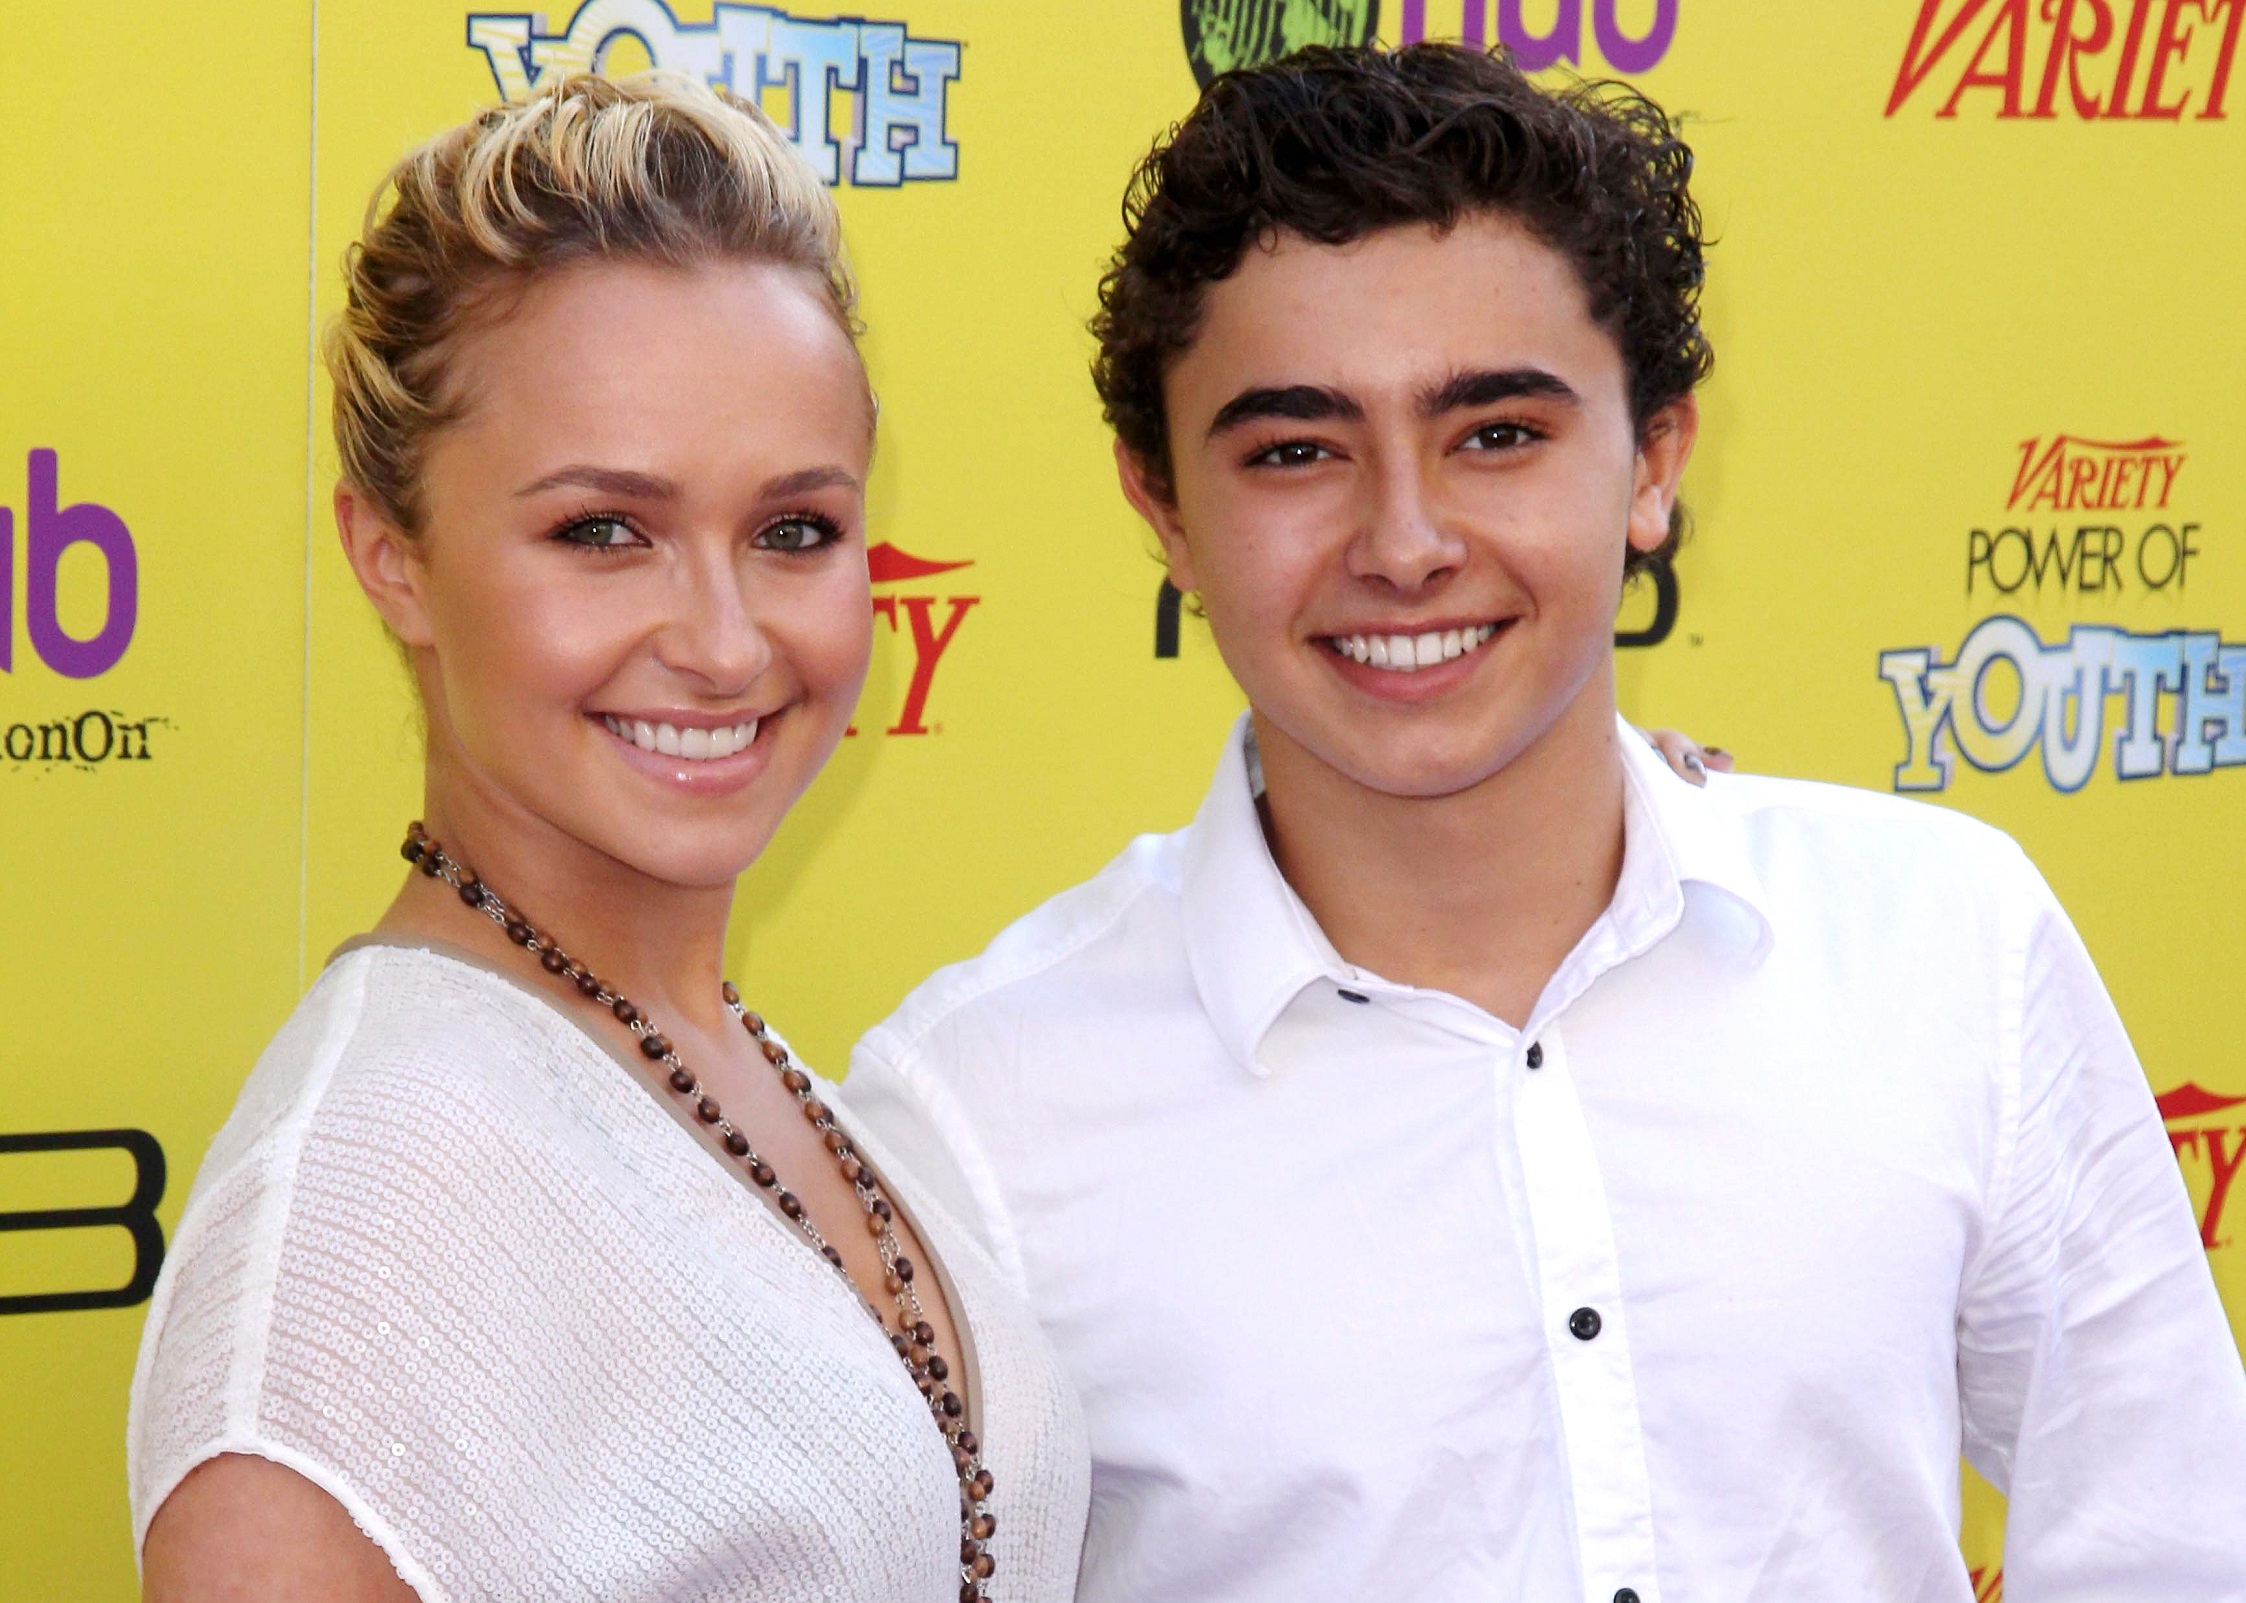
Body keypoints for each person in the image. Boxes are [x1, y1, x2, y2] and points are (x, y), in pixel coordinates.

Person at [839, 43, 2246, 1603]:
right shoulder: (976, 1111)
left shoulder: (1941, 940)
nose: (1405, 540)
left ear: (1650, 461)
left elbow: (2167, 1536)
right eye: (1295, 451)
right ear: (1163, 508)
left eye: (1495, 433)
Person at [126, 73, 1090, 1602]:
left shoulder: (734, 1066)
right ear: (392, 558)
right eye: (603, 532)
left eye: (793, 531)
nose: (722, 643)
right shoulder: (365, 1219)